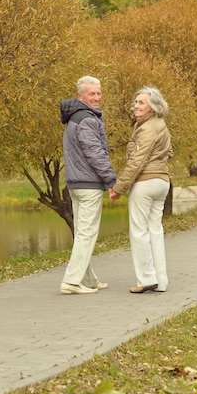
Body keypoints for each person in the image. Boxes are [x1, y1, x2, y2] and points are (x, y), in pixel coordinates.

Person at [109, 86, 172, 293]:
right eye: (135, 102)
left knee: (139, 231)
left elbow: (137, 161)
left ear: (152, 107)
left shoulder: (147, 128)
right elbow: (168, 152)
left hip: (145, 183)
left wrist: (119, 187)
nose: (136, 106)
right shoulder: (161, 125)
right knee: (155, 230)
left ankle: (146, 279)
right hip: (162, 182)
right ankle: (161, 281)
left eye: (141, 103)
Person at [60, 76, 116, 295]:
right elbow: (95, 153)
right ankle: (72, 281)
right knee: (86, 233)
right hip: (88, 184)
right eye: (92, 94)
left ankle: (88, 279)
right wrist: (110, 180)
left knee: (83, 232)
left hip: (76, 183)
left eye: (99, 93)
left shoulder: (75, 117)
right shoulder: (87, 119)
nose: (96, 97)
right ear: (80, 96)